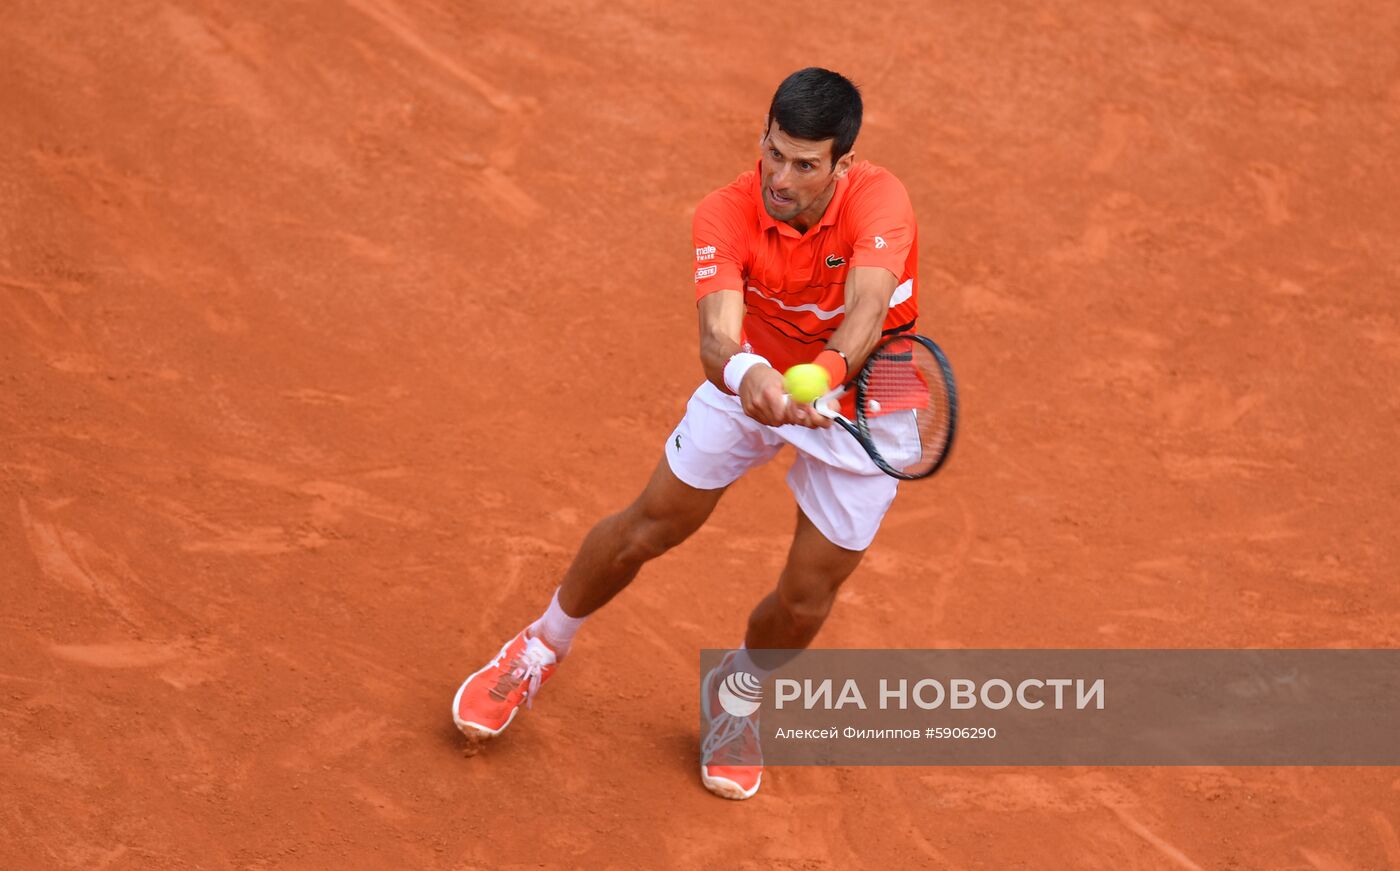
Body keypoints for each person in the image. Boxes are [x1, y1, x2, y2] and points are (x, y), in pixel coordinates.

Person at [452, 67, 919, 801]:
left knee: (806, 597)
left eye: (805, 164)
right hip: (759, 370)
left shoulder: (882, 200)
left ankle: (737, 695)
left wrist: (822, 377)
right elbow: (716, 337)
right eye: (774, 152)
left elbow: (865, 314)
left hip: (872, 389)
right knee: (650, 525)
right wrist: (753, 378)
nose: (781, 177)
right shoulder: (724, 213)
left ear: (843, 165)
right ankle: (540, 643)